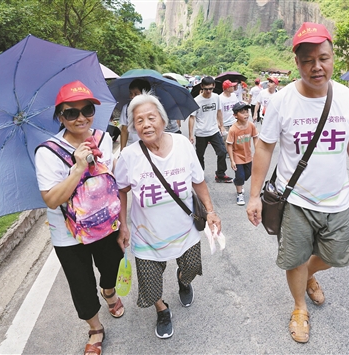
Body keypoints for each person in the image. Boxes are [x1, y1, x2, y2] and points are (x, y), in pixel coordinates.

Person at [246, 22, 349, 344]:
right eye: (308, 60)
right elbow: (265, 147)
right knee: (293, 259)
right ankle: (298, 308)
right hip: (295, 199)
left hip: (336, 198)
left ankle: (307, 275)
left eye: (323, 58)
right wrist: (254, 196)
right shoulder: (282, 100)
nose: (316, 66)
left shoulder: (344, 97)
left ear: (333, 58)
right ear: (297, 63)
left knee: (338, 257)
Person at [114, 92, 221, 339]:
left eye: (151, 118)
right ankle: (162, 310)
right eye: (139, 121)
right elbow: (120, 189)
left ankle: (184, 281)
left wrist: (211, 211)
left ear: (163, 120)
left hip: (185, 229)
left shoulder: (182, 144)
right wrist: (123, 225)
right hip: (147, 236)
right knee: (150, 284)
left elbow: (199, 182)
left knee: (192, 266)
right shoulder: (129, 156)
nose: (146, 124)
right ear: (133, 127)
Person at [35, 80, 128, 355]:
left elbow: (112, 184)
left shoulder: (103, 138)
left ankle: (109, 291)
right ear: (60, 117)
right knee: (81, 282)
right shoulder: (47, 152)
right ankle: (95, 328)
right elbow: (51, 199)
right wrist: (77, 168)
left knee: (111, 265)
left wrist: (124, 224)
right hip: (68, 233)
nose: (80, 118)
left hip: (106, 224)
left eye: (87, 109)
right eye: (70, 113)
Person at [188, 76, 233, 183]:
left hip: (214, 131)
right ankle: (200, 174)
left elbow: (219, 112)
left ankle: (220, 174)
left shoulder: (216, 97)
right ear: (202, 86)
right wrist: (190, 135)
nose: (208, 91)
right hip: (201, 132)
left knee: (222, 152)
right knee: (199, 155)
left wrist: (221, 125)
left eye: (210, 89)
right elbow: (192, 117)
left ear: (214, 86)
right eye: (206, 89)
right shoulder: (196, 100)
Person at [226, 102, 258, 206]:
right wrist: (232, 160)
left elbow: (255, 137)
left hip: (248, 156)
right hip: (237, 156)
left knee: (247, 174)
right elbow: (229, 145)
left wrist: (257, 151)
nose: (246, 115)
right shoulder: (233, 129)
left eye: (247, 112)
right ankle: (239, 193)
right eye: (242, 113)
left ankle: (238, 182)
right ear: (235, 115)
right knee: (240, 175)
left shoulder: (251, 125)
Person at [120, 79, 151, 150]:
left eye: (136, 94)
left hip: (148, 147)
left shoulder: (152, 109)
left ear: (145, 93)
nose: (132, 97)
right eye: (131, 93)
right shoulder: (127, 108)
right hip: (131, 147)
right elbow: (124, 130)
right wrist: (122, 151)